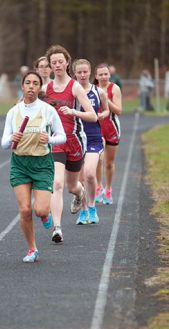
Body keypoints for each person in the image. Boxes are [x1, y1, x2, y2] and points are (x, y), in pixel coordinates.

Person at [1, 71, 66, 262]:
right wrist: (11, 138)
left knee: (41, 210)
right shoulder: (13, 112)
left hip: (42, 164)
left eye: (35, 83)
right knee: (24, 210)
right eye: (27, 83)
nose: (31, 86)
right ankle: (32, 249)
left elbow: (61, 135)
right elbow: (4, 143)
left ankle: (45, 216)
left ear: (39, 87)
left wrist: (50, 139)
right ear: (22, 86)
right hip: (20, 164)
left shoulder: (47, 110)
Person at [43, 44, 97, 243]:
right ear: (50, 65)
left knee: (72, 185)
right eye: (53, 62)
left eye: (60, 61)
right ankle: (57, 228)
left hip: (74, 141)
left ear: (67, 63)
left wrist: (73, 112)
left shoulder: (74, 86)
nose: (57, 65)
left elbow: (92, 115)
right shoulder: (46, 88)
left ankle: (80, 193)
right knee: (56, 183)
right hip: (56, 142)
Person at [71, 59, 109, 225]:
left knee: (90, 174)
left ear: (90, 73)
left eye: (85, 71)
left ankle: (92, 207)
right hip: (77, 138)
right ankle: (84, 210)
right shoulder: (72, 92)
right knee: (79, 180)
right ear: (74, 74)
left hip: (93, 137)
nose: (82, 75)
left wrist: (102, 115)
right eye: (79, 72)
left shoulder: (99, 92)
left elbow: (107, 110)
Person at [94, 63, 122, 205]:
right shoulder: (92, 89)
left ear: (109, 75)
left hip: (111, 127)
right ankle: (98, 187)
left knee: (109, 163)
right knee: (98, 159)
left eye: (106, 74)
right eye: (101, 74)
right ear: (96, 76)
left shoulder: (114, 88)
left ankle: (109, 189)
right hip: (97, 128)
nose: (104, 77)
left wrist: (106, 98)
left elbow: (118, 111)